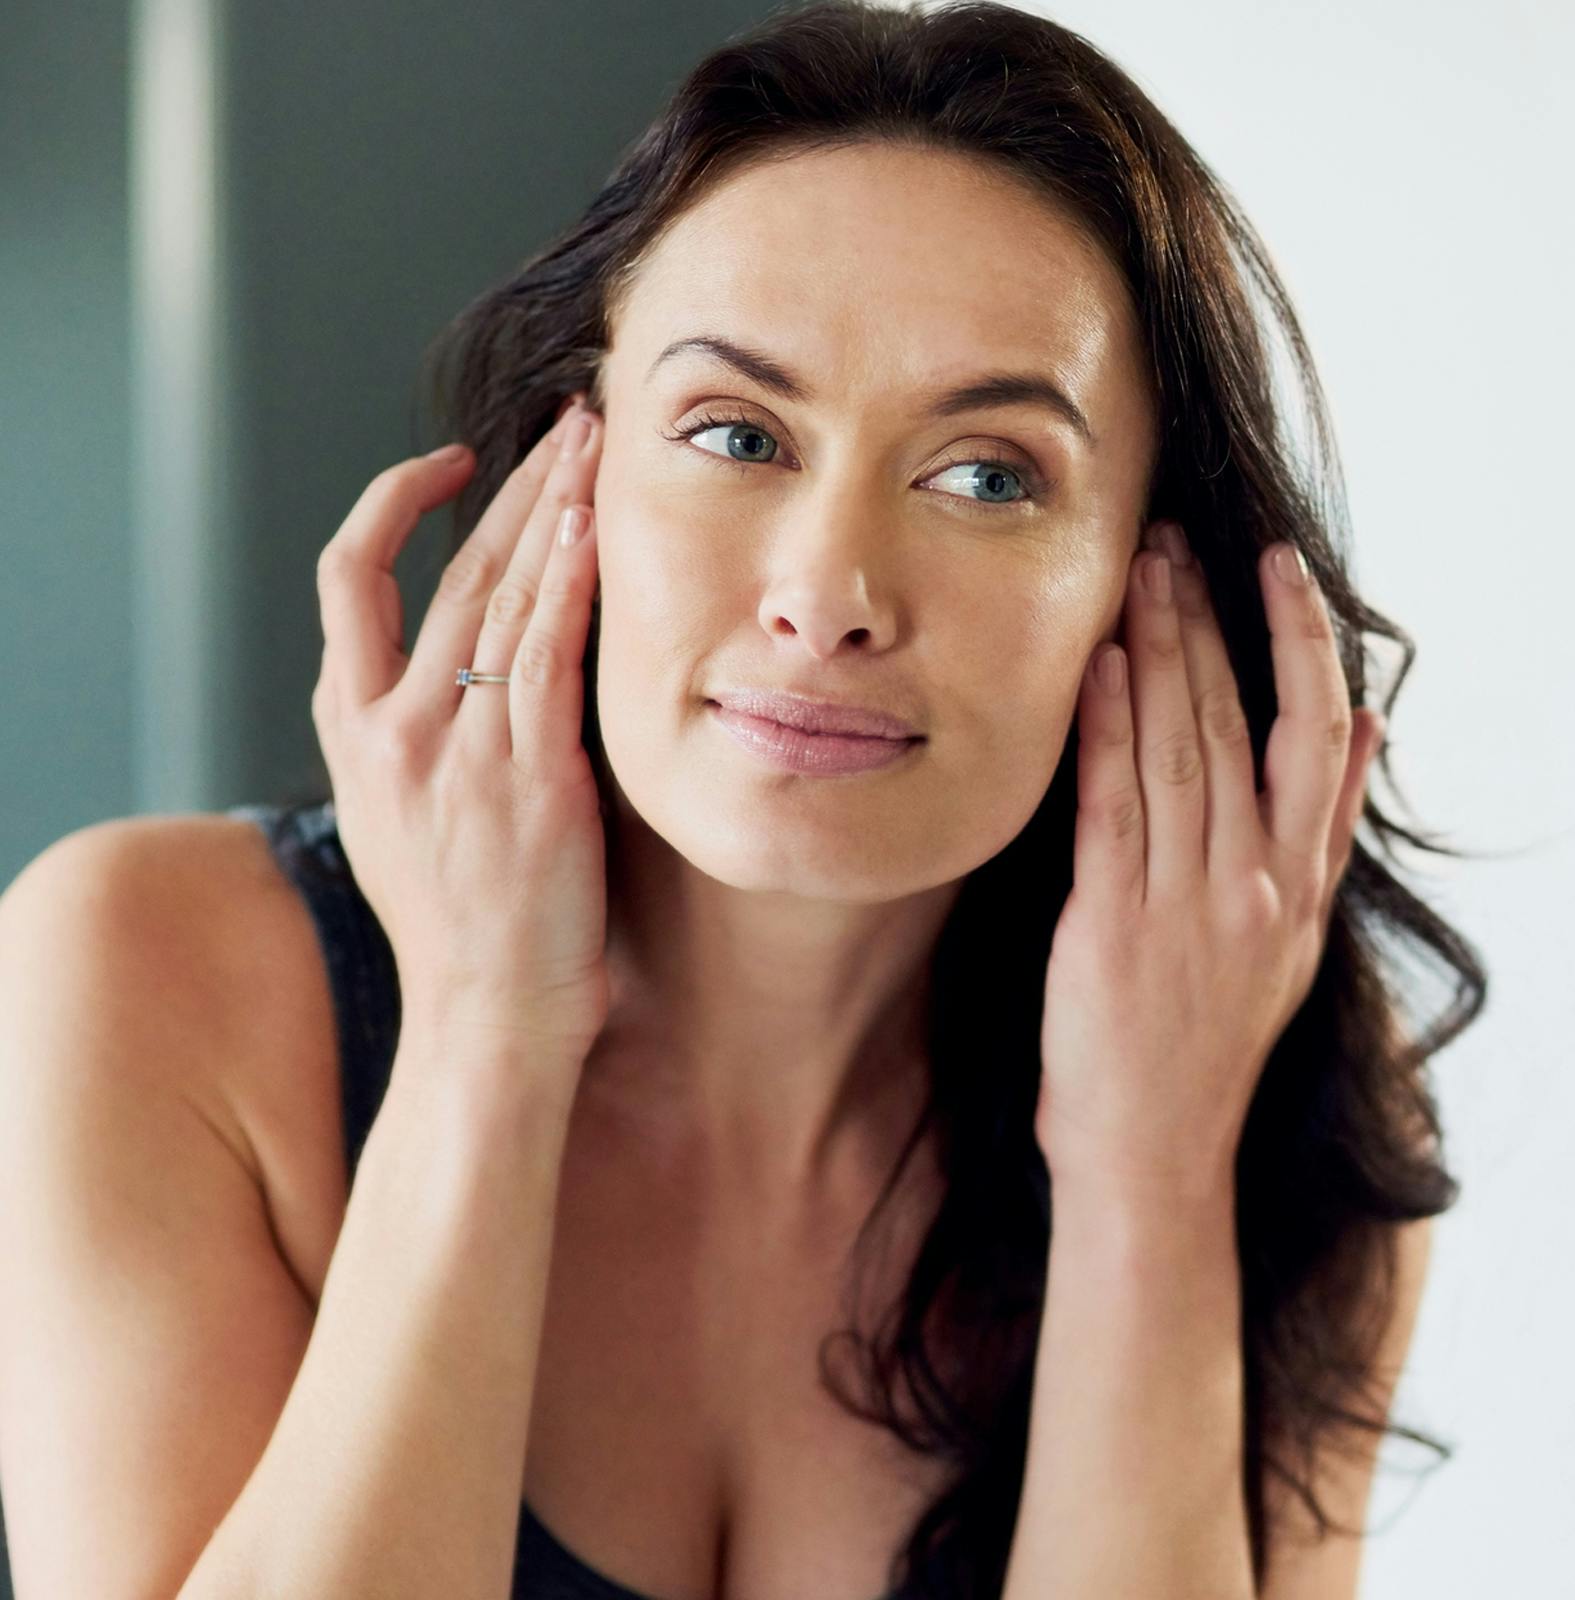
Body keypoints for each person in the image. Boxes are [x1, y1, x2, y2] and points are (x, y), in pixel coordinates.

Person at [0, 3, 1484, 1598]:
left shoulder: (1289, 1114)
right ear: (575, 481)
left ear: (1143, 581)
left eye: (987, 475)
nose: (826, 594)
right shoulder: (139, 972)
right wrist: (485, 1039)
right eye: (734, 433)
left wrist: (1150, 1173)